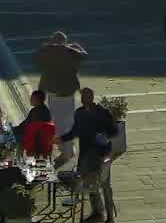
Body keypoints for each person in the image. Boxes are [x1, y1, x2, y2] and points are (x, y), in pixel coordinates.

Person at [58, 87, 119, 222]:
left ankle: (110, 217)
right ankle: (97, 214)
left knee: (105, 186)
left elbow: (114, 131)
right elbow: (74, 132)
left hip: (101, 155)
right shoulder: (79, 113)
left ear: (91, 97)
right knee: (90, 187)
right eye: (82, 97)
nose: (83, 99)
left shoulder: (102, 113)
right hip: (86, 156)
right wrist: (61, 139)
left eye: (85, 96)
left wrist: (105, 136)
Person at [36, 32, 87, 164]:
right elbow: (84, 55)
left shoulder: (47, 53)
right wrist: (76, 47)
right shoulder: (71, 52)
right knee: (67, 123)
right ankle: (68, 150)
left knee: (57, 123)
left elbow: (41, 62)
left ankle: (66, 151)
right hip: (68, 93)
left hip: (53, 93)